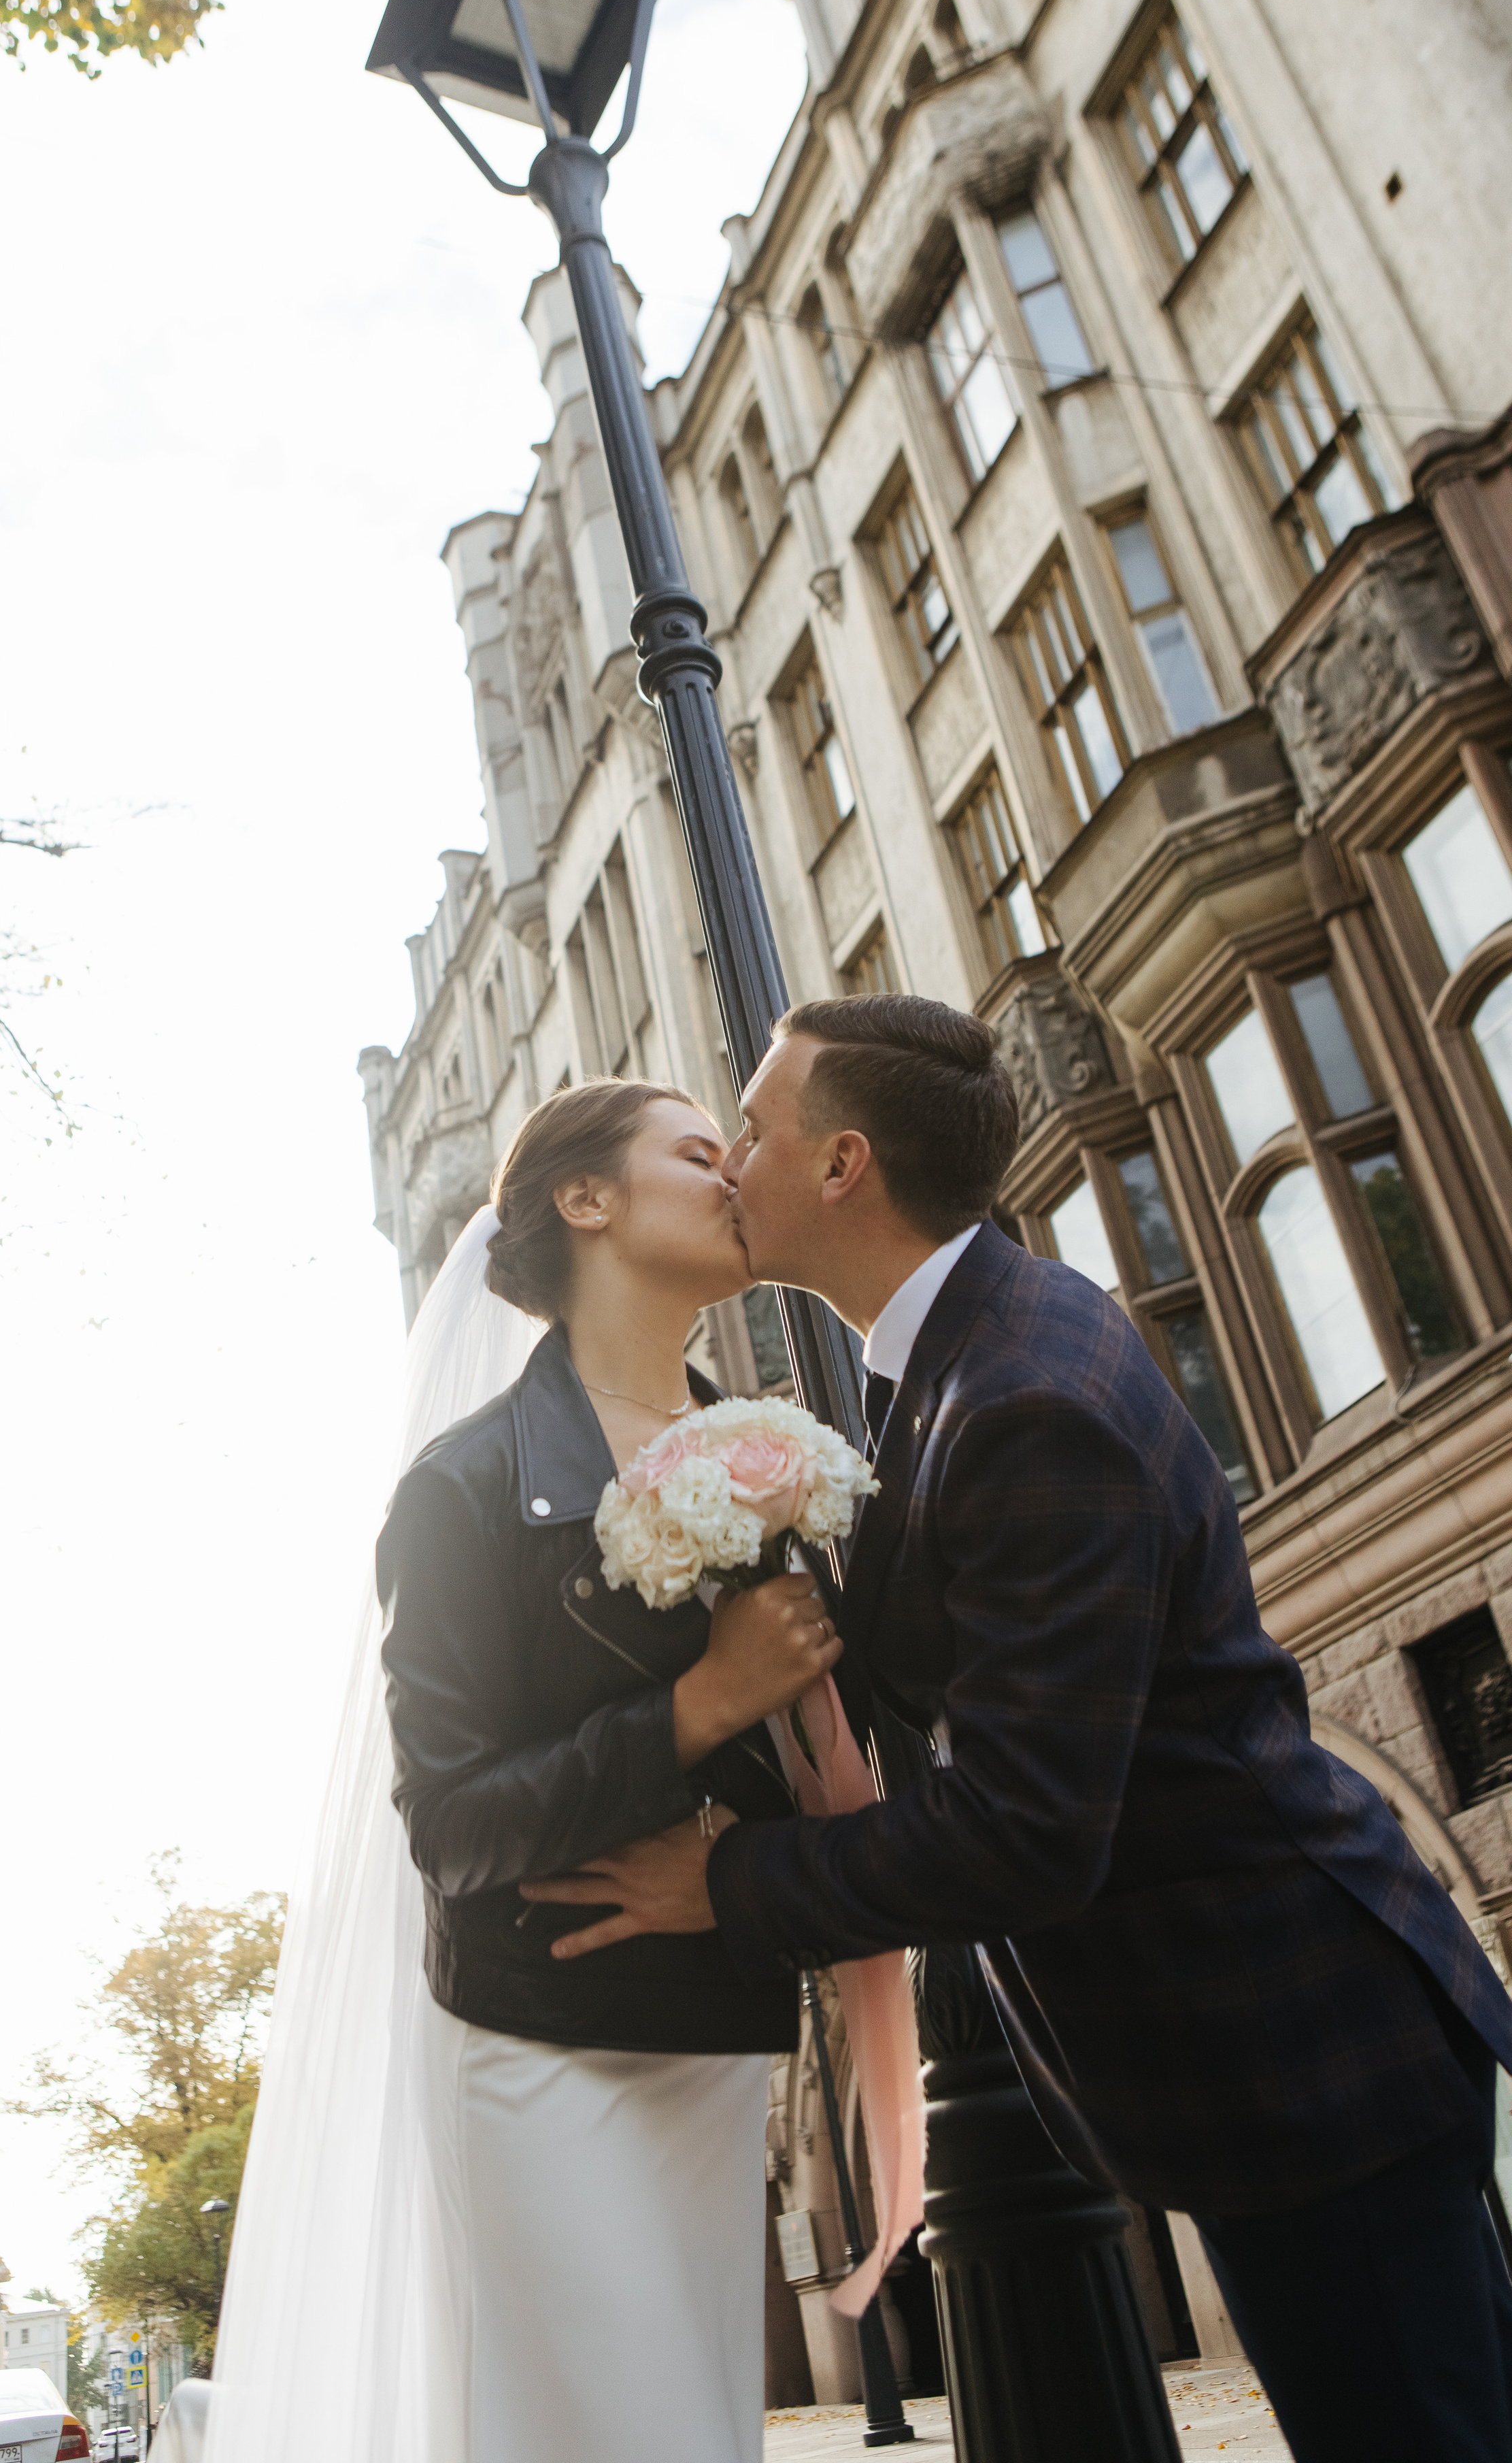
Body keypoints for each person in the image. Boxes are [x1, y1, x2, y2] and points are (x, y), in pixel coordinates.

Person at [531, 993, 1512, 2463]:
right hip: (1254, 2067)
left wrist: (722, 1887)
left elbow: (1023, 1829)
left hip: (1301, 2058)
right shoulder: (954, 1362)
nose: (730, 1160)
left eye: (750, 1127)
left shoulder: (1018, 1394)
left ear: (843, 1164)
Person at [379, 1078, 840, 2463]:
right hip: (537, 2035)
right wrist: (697, 1706)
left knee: (703, 2430)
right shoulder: (463, 1490)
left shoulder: (774, 1458)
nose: (735, 1174)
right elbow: (452, 1822)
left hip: (711, 2031)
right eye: (701, 1153)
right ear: (585, 1201)